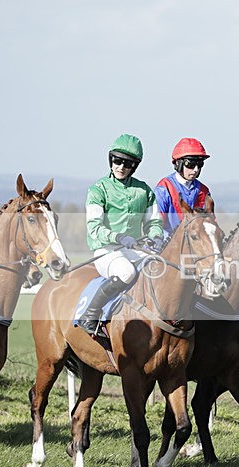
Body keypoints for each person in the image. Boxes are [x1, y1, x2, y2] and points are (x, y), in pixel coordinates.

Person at [77, 134, 164, 336]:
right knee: (126, 273)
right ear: (111, 160)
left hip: (134, 249)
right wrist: (118, 237)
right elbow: (94, 228)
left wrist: (156, 237)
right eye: (117, 161)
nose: (121, 167)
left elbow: (154, 222)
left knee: (159, 268)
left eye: (128, 164)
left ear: (134, 166)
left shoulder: (144, 191)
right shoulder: (98, 190)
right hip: (105, 250)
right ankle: (90, 315)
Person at [154, 137, 212, 241]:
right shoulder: (164, 187)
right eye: (190, 164)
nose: (196, 170)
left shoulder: (204, 191)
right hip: (164, 246)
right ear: (178, 163)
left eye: (200, 165)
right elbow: (156, 223)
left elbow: (209, 224)